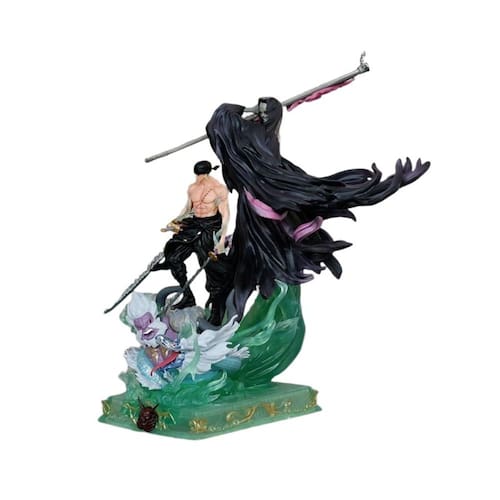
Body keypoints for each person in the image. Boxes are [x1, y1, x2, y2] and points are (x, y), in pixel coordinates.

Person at [206, 97, 430, 319]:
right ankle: (226, 316)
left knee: (253, 268)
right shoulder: (255, 157)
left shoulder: (248, 158)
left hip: (268, 218)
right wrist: (261, 109)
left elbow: (222, 122)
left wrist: (255, 110)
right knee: (248, 267)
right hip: (261, 220)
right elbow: (225, 121)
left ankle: (229, 317)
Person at [152, 160, 231, 325]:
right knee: (173, 257)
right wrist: (176, 220)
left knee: (210, 268)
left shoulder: (219, 189)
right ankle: (187, 296)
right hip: (193, 225)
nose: (199, 179)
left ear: (207, 173)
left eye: (202, 176)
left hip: (210, 227)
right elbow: (188, 208)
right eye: (197, 176)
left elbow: (225, 215)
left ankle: (216, 310)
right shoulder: (192, 188)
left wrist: (221, 240)